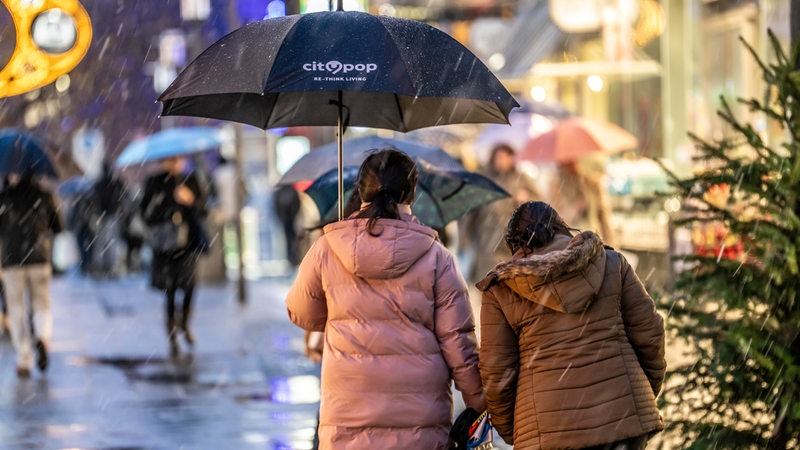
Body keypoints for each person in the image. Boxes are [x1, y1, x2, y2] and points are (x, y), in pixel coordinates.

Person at [285, 148, 485, 449]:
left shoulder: (328, 248)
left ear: (360, 190)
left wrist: (342, 308)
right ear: (412, 194)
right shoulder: (437, 257)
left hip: (347, 421)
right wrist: (478, 401)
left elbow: (301, 312)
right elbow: (458, 341)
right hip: (421, 425)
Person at [476, 201, 665, 449]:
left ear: (515, 243)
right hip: (621, 422)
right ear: (560, 228)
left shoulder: (502, 290)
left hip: (548, 431)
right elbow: (650, 334)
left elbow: (496, 370)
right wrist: (642, 391)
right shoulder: (612, 263)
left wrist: (513, 430)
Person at [140, 156, 208, 356]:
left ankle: (185, 323)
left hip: (187, 243)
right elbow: (145, 213)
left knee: (189, 286)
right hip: (165, 246)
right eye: (169, 159)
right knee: (169, 289)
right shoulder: (154, 182)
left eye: (176, 159)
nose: (173, 163)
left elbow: (203, 210)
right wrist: (163, 205)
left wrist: (190, 200)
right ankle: (171, 333)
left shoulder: (191, 180)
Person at [0, 171, 64, 378]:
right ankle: (42, 336)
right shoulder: (44, 195)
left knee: (16, 307)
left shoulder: (3, 197)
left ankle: (23, 359)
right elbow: (59, 227)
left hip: (12, 261)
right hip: (39, 257)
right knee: (41, 303)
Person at [460, 142, 540, 282]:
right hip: (487, 240)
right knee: (488, 282)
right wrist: (463, 240)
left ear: (511, 158)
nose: (500, 161)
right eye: (498, 157)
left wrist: (527, 199)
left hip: (515, 241)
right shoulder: (483, 180)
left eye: (504, 157)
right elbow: (470, 212)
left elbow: (541, 205)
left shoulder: (521, 179)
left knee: (513, 282)